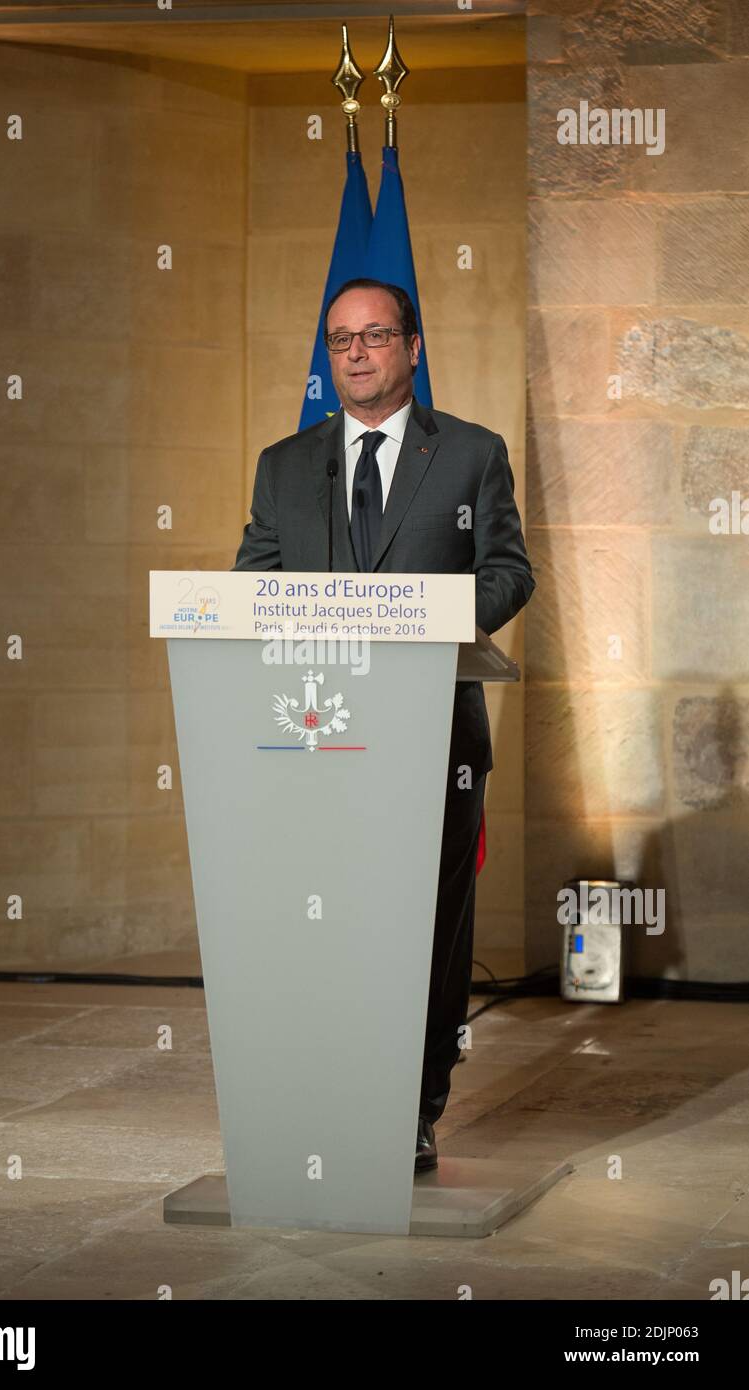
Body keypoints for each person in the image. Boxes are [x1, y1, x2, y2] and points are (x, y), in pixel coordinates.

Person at [234, 277, 535, 1171]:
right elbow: (254, 586)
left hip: (434, 739)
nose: (356, 354)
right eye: (339, 341)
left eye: (374, 336)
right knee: (323, 924)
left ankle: (412, 1107)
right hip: (312, 736)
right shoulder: (284, 464)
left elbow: (508, 572)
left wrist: (425, 617)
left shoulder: (472, 455)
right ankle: (322, 1094)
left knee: (426, 929)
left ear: (412, 346)